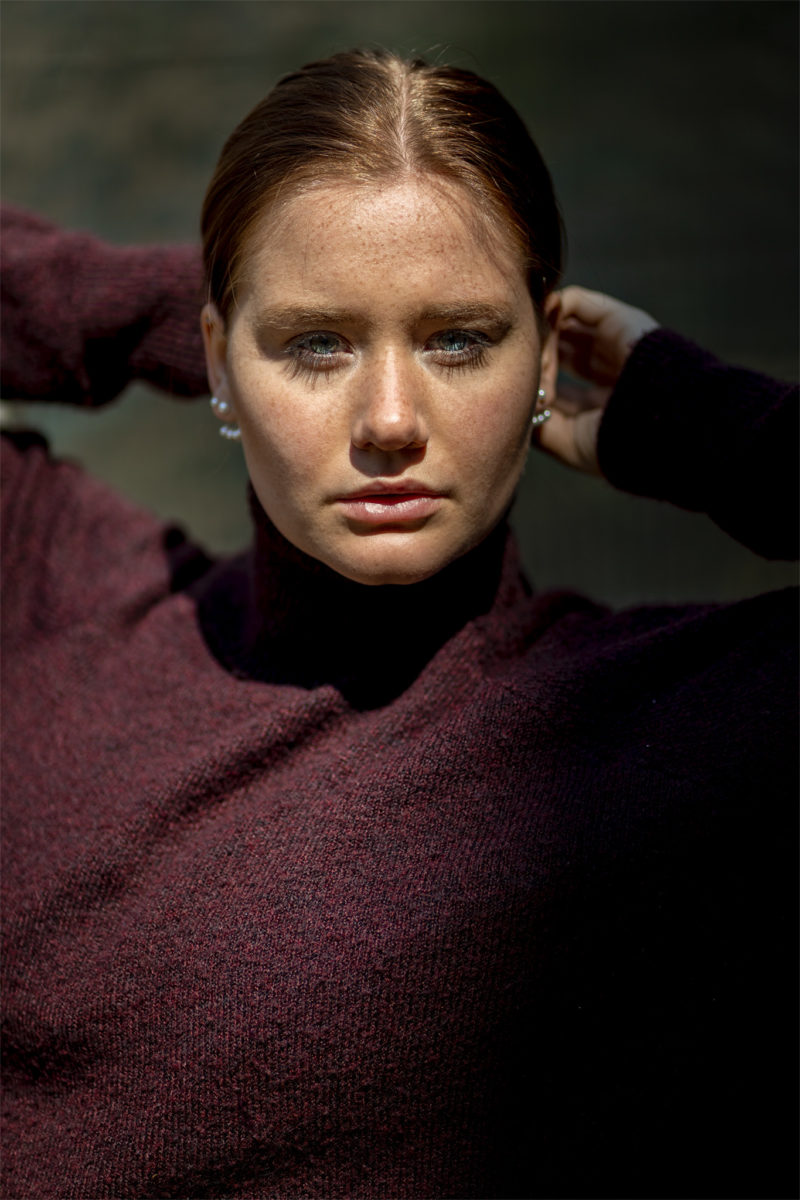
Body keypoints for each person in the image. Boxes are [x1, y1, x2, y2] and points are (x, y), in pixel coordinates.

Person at [1, 49, 797, 1200]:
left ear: (542, 355)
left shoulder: (673, 735)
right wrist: (224, 297)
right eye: (317, 346)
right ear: (217, 353)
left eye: (458, 341)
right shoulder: (59, 583)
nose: (388, 421)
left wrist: (697, 420)